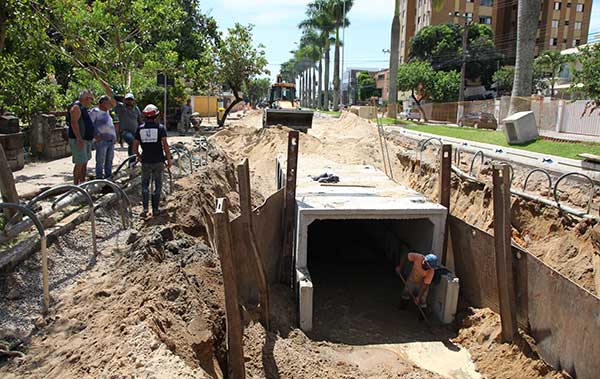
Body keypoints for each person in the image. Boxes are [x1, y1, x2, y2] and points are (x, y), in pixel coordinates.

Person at [132, 104, 172, 217]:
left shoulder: (140, 129)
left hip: (146, 161)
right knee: (158, 184)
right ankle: (155, 209)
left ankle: (145, 209)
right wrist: (169, 159)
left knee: (145, 185)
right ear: (156, 116)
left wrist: (139, 157)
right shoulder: (160, 128)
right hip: (158, 161)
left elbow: (134, 147)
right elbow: (165, 145)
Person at [67, 90, 95, 184]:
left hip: (86, 139)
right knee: (79, 162)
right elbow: (74, 123)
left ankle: (82, 182)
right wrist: (79, 138)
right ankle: (75, 184)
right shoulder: (76, 107)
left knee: (84, 161)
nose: (91, 101)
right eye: (91, 99)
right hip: (79, 139)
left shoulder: (83, 108)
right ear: (86, 99)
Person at [109, 89, 142, 167]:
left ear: (133, 100)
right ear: (125, 100)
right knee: (132, 142)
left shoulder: (136, 109)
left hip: (135, 131)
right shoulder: (121, 107)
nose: (129, 101)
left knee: (135, 144)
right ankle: (132, 161)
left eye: (131, 100)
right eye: (127, 100)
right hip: (125, 131)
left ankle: (134, 162)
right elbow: (112, 97)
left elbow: (140, 120)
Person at [90, 95, 118, 179]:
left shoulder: (107, 112)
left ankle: (108, 177)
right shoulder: (95, 111)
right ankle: (99, 178)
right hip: (102, 141)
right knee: (100, 161)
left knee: (109, 161)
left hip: (110, 140)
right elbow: (89, 124)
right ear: (103, 103)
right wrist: (94, 136)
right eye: (108, 102)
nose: (110, 104)